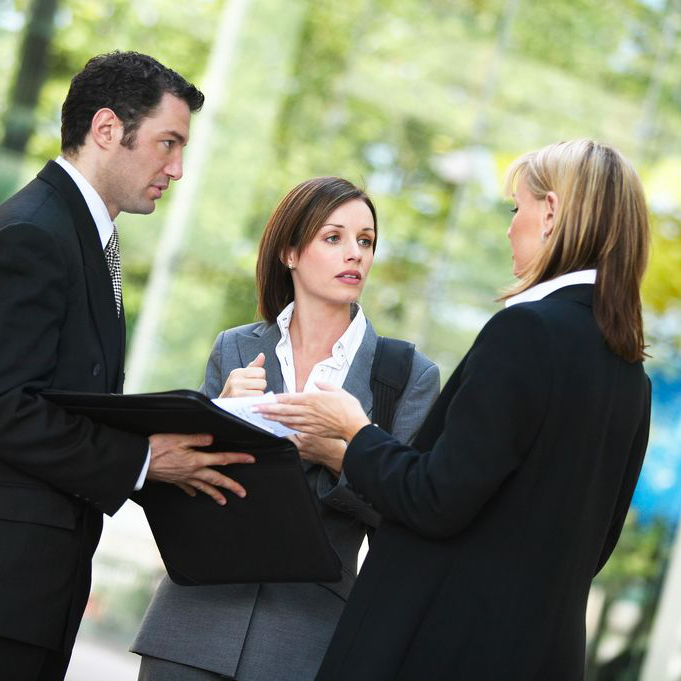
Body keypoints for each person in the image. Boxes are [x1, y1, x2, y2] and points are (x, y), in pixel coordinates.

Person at [256, 140, 652, 681]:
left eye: (516, 208)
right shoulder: (630, 375)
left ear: (551, 214)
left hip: (439, 647)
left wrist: (355, 430)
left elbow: (437, 497)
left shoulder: (526, 332)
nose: (510, 229)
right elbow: (594, 545)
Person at [0, 52, 255, 681]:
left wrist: (187, 428)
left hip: (36, 592)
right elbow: (7, 407)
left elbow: (65, 398)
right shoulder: (35, 233)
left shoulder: (77, 233)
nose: (177, 169)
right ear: (107, 129)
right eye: (168, 143)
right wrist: (143, 458)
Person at [132, 176, 440, 681]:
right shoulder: (234, 348)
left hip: (306, 639)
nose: (355, 254)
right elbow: (187, 484)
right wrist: (221, 414)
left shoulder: (406, 375)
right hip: (193, 620)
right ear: (290, 253)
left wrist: (337, 454)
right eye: (334, 237)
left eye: (365, 241)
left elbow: (404, 515)